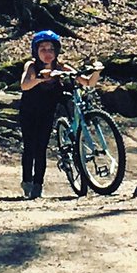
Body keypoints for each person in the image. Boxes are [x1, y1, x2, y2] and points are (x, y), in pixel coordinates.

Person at [19, 29, 101, 199]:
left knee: (41, 147)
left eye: (51, 49)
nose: (47, 53)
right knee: (30, 147)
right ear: (36, 51)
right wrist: (42, 78)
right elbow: (24, 85)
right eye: (43, 49)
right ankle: (27, 181)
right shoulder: (32, 66)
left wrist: (97, 71)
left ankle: (38, 185)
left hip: (47, 112)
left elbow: (87, 82)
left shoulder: (61, 66)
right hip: (29, 112)